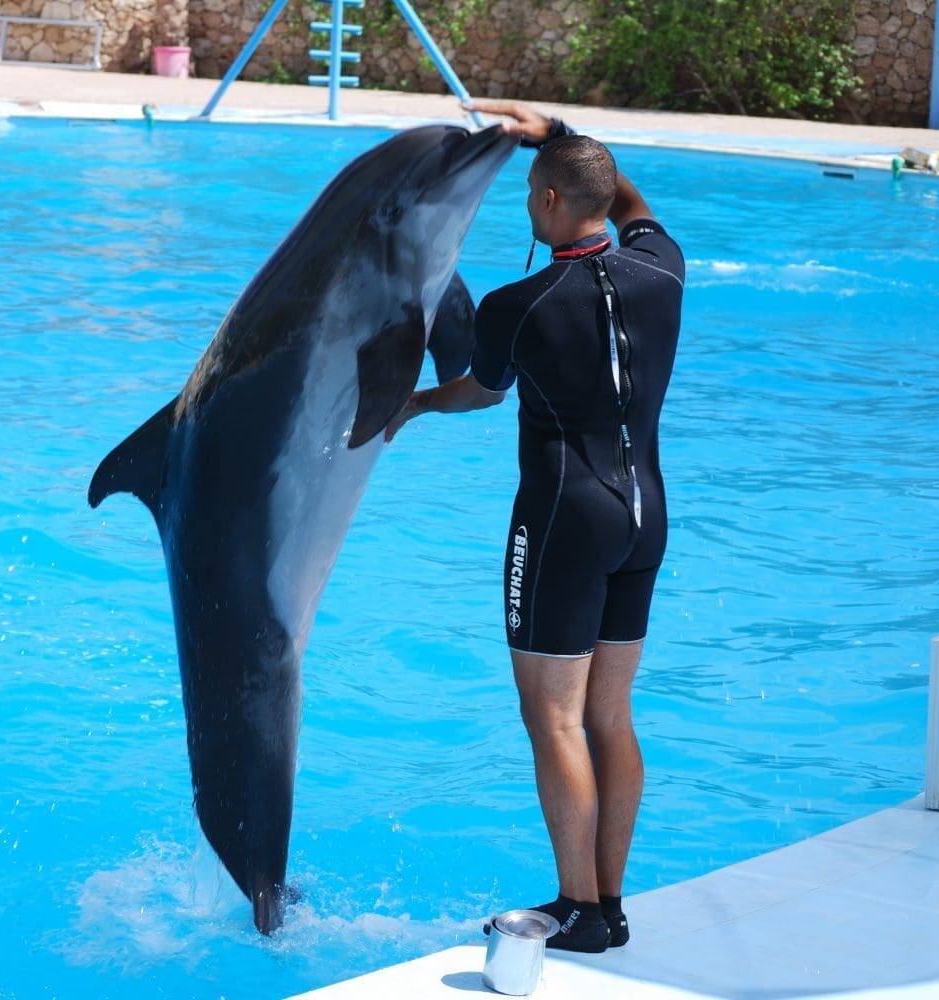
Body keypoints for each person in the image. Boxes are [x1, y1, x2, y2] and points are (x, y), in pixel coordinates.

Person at [386, 99, 685, 953]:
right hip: (645, 515)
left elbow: (482, 390)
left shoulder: (518, 303)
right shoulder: (662, 269)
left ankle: (580, 910)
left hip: (563, 522)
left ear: (552, 204)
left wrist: (415, 403)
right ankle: (611, 903)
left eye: (531, 191)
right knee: (611, 716)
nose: (527, 204)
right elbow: (634, 205)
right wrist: (560, 137)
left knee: (554, 719)